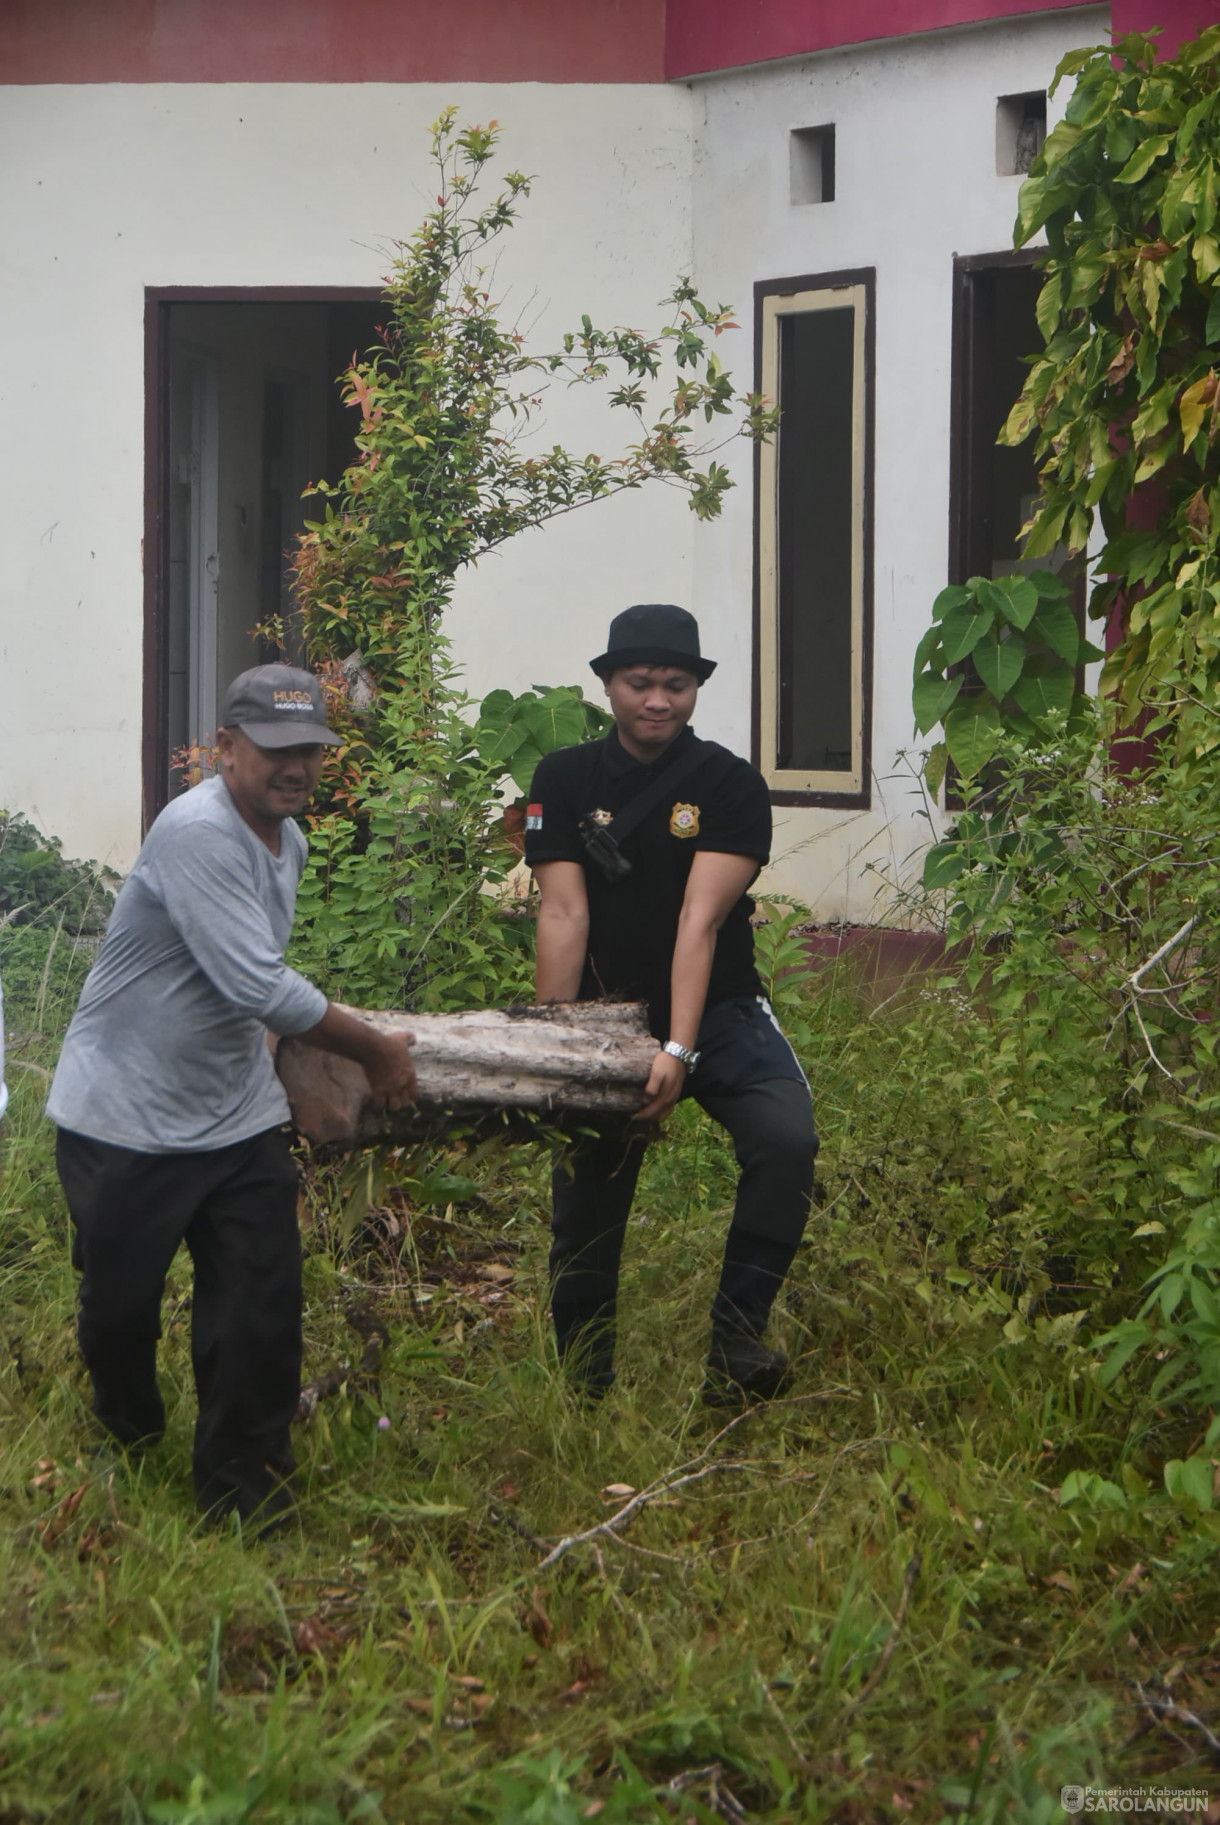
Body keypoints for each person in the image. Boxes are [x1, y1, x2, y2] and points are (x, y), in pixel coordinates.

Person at [48, 664, 417, 1526]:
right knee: (120, 1314)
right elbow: (261, 983)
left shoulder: (290, 844)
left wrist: (277, 1074)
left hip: (235, 1117)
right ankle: (129, 1438)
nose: (297, 766)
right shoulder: (197, 832)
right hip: (125, 1117)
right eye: (276, 748)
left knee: (259, 1307)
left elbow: (250, 982)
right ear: (226, 748)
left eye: (311, 750)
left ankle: (246, 1498)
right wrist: (376, 1052)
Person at [524, 604, 818, 1404]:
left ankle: (738, 1339)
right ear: (607, 685)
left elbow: (701, 920)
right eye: (640, 682)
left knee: (786, 1140)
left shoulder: (729, 784)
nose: (658, 700)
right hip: (602, 1017)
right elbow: (563, 915)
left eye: (676, 685)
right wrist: (556, 1045)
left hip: (719, 1010)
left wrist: (679, 1051)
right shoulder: (563, 779)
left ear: (695, 690)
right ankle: (584, 1388)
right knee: (587, 1199)